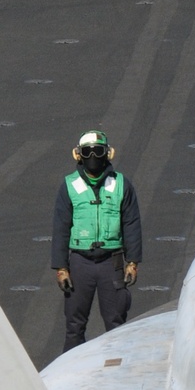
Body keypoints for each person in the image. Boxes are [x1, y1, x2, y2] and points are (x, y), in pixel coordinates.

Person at [51, 131, 142, 351]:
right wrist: (61, 268)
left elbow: (132, 223)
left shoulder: (121, 184)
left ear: (108, 154)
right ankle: (70, 372)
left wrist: (132, 262)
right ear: (78, 155)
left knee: (116, 323)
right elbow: (61, 228)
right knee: (74, 324)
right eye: (87, 151)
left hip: (112, 263)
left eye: (98, 151)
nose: (93, 156)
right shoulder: (69, 186)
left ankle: (117, 371)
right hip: (80, 263)